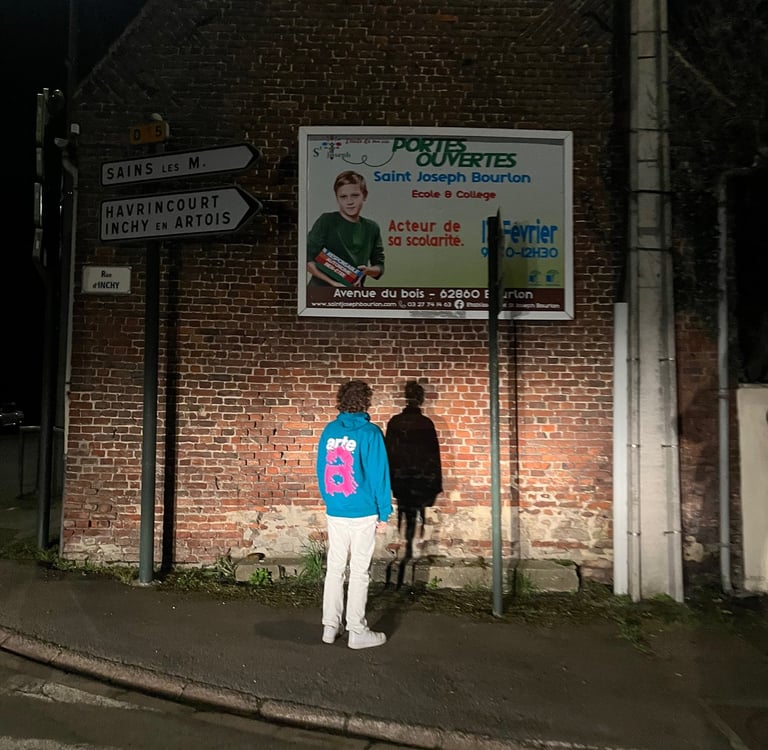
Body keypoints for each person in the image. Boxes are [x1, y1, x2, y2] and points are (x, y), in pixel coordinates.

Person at [316, 379, 392, 649]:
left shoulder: (329, 431)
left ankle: (330, 626)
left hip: (337, 509)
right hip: (363, 511)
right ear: (365, 402)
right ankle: (357, 630)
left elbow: (321, 469)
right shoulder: (371, 433)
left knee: (335, 568)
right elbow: (379, 475)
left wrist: (330, 500)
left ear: (341, 400)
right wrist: (384, 513)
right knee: (359, 571)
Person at [385, 381, 442, 586]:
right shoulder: (426, 423)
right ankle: (410, 565)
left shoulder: (395, 422)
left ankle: (401, 565)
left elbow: (389, 454)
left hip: (401, 480)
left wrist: (390, 480)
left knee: (404, 520)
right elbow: (433, 457)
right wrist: (434, 485)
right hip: (419, 481)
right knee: (416, 522)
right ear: (421, 399)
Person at [306, 171, 385, 288]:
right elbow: (306, 259)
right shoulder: (326, 221)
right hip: (321, 291)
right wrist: (333, 283)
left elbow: (379, 266)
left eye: (355, 195)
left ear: (365, 195)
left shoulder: (372, 228)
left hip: (353, 292)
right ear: (337, 198)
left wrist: (367, 271)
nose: (349, 202)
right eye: (343, 197)